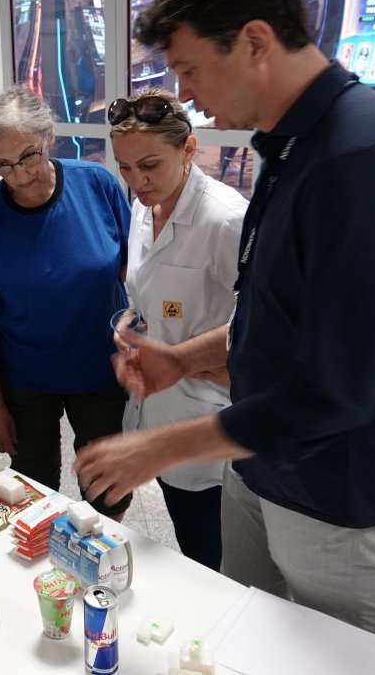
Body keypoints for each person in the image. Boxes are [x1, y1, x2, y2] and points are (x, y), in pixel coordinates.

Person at [73, 0, 375, 640]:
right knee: (250, 639)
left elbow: (337, 388)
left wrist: (159, 448)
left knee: (335, 657)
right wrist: (181, 360)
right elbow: (272, 314)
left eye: (188, 68)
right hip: (259, 464)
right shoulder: (289, 149)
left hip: (337, 494)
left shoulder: (363, 158)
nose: (183, 92)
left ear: (252, 42)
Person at [0, 85, 131, 513]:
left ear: (50, 138)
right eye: (3, 165)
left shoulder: (97, 185)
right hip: (26, 381)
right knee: (32, 491)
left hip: (101, 371)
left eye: (29, 156)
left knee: (107, 488)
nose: (20, 175)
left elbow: (132, 272)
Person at [107, 87, 246, 566]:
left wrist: (201, 362)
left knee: (213, 555)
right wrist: (130, 323)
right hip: (158, 409)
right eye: (125, 168)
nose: (137, 180)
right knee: (186, 526)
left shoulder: (226, 221)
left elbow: (260, 326)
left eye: (149, 165)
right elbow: (146, 293)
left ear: (188, 149)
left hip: (208, 420)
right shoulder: (143, 208)